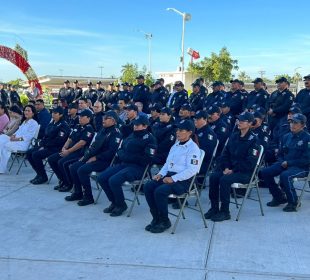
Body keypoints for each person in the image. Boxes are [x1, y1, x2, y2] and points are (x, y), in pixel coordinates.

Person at [143, 119, 201, 233]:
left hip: (183, 181)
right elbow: (167, 164)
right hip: (170, 176)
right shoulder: (176, 145)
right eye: (177, 130)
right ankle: (156, 218)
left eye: (181, 130)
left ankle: (165, 221)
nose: (177, 132)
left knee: (160, 191)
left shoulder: (193, 148)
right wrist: (160, 174)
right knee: (148, 186)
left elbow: (192, 170)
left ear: (189, 132)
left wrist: (173, 178)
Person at [97, 115, 157, 217]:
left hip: (138, 168)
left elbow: (147, 159)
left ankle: (121, 205)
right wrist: (124, 156)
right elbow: (120, 149)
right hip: (124, 164)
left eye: (138, 125)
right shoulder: (131, 135)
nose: (135, 126)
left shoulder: (150, 139)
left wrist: (126, 156)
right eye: (134, 124)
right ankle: (114, 202)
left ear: (145, 126)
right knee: (102, 178)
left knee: (114, 180)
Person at [205, 112, 259, 222]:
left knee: (225, 180)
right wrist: (225, 167)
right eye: (239, 120)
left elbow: (250, 163)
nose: (239, 122)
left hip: (244, 172)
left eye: (242, 121)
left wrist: (233, 170)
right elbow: (225, 154)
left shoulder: (254, 140)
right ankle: (214, 208)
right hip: (230, 169)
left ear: (249, 124)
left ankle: (225, 211)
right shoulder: (234, 136)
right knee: (214, 177)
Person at [65, 111, 122, 206]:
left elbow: (111, 152)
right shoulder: (102, 130)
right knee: (73, 167)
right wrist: (86, 156)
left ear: (113, 121)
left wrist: (96, 157)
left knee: (82, 170)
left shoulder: (116, 133)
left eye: (106, 118)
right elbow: (94, 146)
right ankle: (78, 193)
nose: (103, 120)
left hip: (105, 161)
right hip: (93, 157)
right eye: (103, 118)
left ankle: (88, 197)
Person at [260, 113, 310, 212]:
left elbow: (307, 159)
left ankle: (293, 202)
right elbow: (280, 154)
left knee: (285, 175)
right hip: (284, 164)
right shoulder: (286, 137)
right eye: (291, 122)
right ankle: (279, 197)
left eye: (296, 123)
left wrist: (289, 163)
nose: (292, 125)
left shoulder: (307, 138)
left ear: (303, 125)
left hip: (301, 167)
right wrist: (282, 161)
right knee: (265, 172)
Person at [48, 109, 94, 192]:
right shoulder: (77, 126)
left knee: (62, 162)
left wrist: (68, 151)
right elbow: (69, 139)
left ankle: (69, 184)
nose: (79, 118)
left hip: (79, 153)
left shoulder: (89, 129)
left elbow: (82, 143)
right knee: (51, 159)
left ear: (88, 118)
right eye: (79, 116)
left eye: (82, 117)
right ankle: (63, 180)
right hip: (69, 150)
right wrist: (64, 148)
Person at [27, 107, 70, 184]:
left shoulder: (63, 125)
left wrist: (45, 145)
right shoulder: (52, 123)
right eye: (52, 113)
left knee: (36, 155)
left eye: (55, 113)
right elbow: (45, 135)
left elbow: (59, 140)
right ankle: (39, 174)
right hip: (47, 146)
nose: (53, 115)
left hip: (56, 148)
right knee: (29, 153)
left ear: (60, 115)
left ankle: (43, 177)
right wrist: (42, 144)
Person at [0, 105, 39, 173]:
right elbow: (18, 132)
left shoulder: (33, 123)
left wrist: (16, 139)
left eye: (28, 111)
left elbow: (27, 138)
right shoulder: (24, 122)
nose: (26, 112)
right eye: (25, 110)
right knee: (2, 137)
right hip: (15, 140)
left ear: (33, 113)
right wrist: (13, 136)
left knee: (4, 145)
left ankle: (1, 168)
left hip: (23, 144)